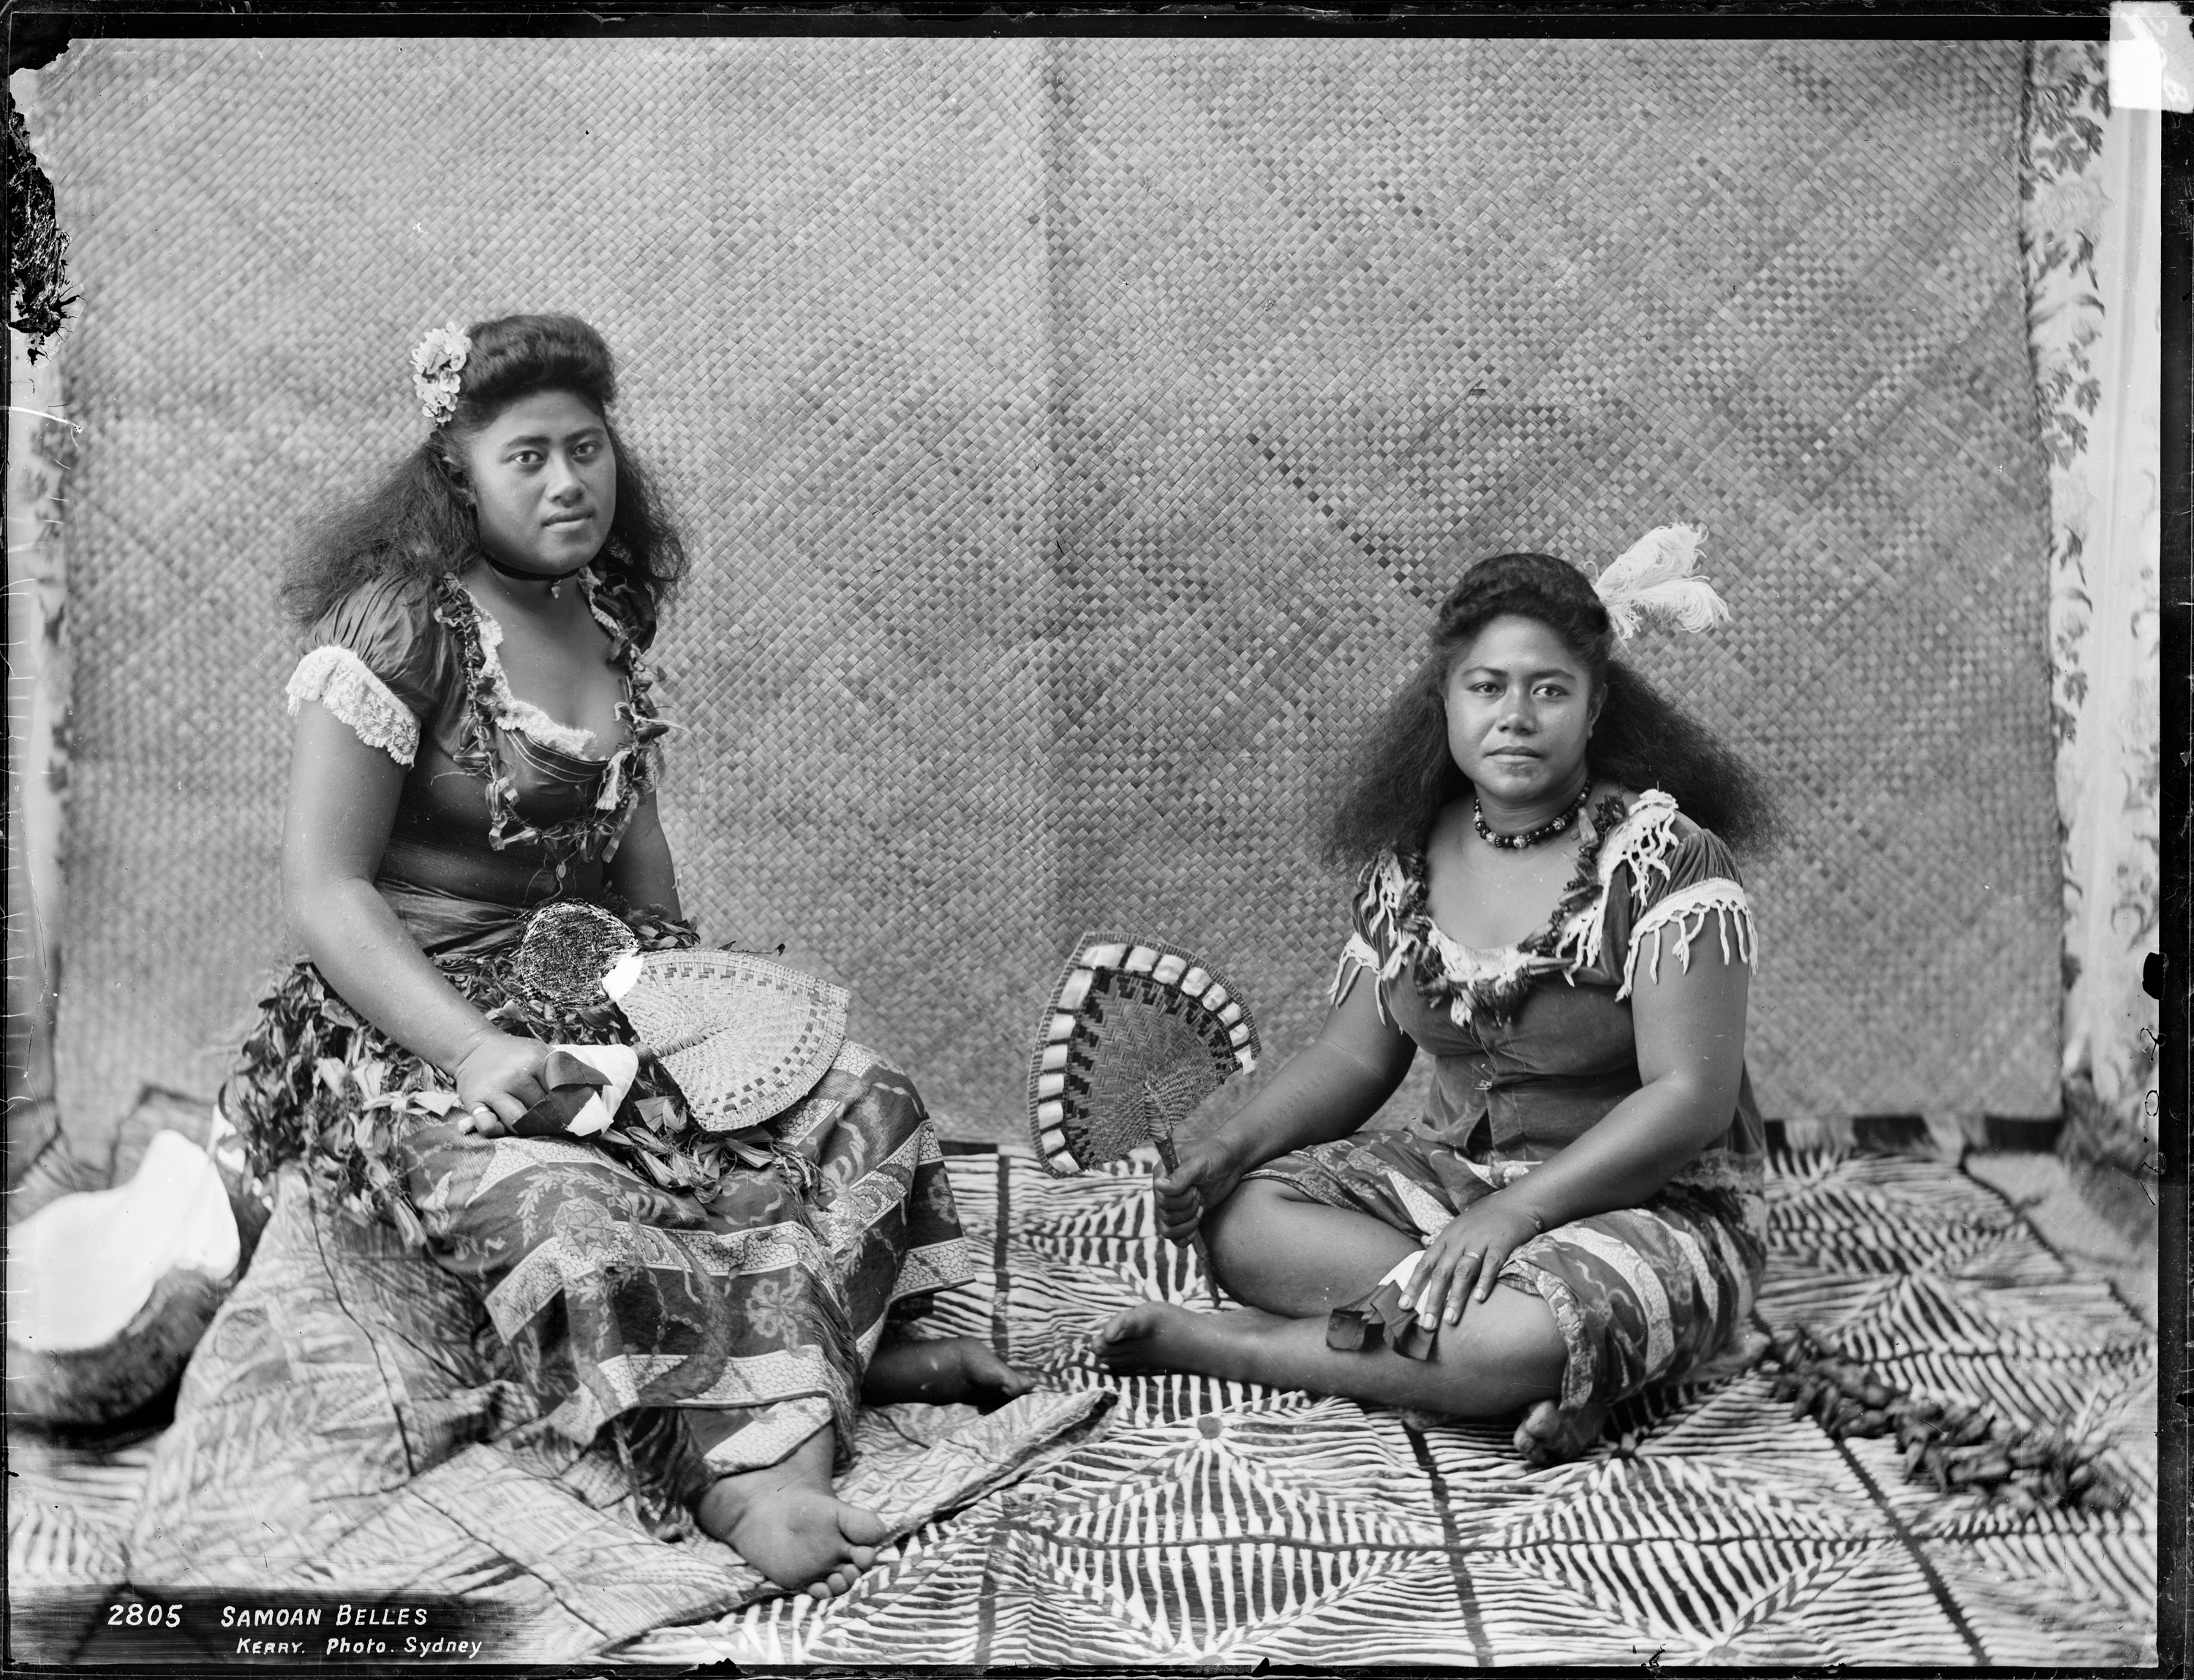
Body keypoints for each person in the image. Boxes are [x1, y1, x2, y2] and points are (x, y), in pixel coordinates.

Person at [224, 313, 1029, 1599]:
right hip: (414, 1034)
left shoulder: (598, 618)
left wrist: (704, 1033)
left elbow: (640, 886)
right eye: (528, 456)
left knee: (864, 1103)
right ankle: (741, 1480)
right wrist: (476, 1048)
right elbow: (327, 895)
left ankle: (828, 1357)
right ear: (458, 478)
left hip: (605, 999)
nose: (566, 482)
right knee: (574, 1212)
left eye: (586, 449)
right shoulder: (397, 628)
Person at [1096, 537, 1776, 1463]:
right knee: (1244, 1223)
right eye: (1488, 687)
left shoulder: (1664, 858)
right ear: (1446, 699)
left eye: (1550, 688)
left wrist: (1518, 1213)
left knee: (1517, 1333)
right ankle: (1527, 1353)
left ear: (1596, 703)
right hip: (1456, 1185)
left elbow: (1687, 1098)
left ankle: (1269, 1349)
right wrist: (1229, 1148)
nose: (1518, 716)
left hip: (1655, 1199)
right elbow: (1351, 1058)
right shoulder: (1405, 861)